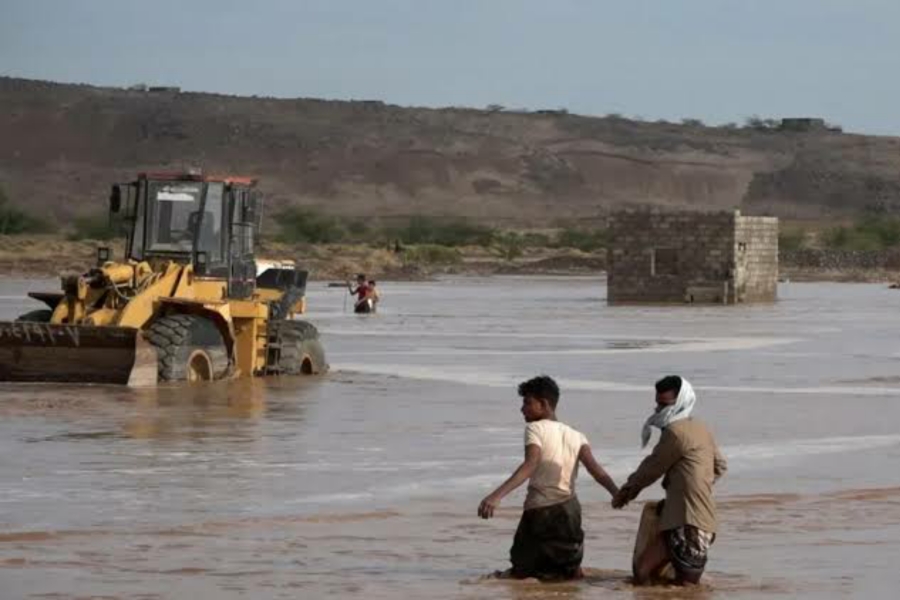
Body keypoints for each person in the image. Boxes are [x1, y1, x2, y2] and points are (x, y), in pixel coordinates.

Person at [478, 375, 619, 580]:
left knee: (522, 571)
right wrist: (617, 493)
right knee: (567, 570)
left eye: (527, 403)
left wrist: (495, 496)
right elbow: (596, 470)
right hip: (571, 510)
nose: (522, 409)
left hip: (541, 511)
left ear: (543, 404)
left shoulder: (535, 428)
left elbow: (530, 464)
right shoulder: (576, 435)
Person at [612, 375, 727, 586]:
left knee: (686, 586)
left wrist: (625, 493)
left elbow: (652, 468)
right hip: (698, 520)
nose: (659, 409)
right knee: (644, 571)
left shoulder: (675, 433)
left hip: (690, 525)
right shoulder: (700, 428)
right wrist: (688, 491)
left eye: (665, 405)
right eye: (658, 404)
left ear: (681, 402)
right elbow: (719, 467)